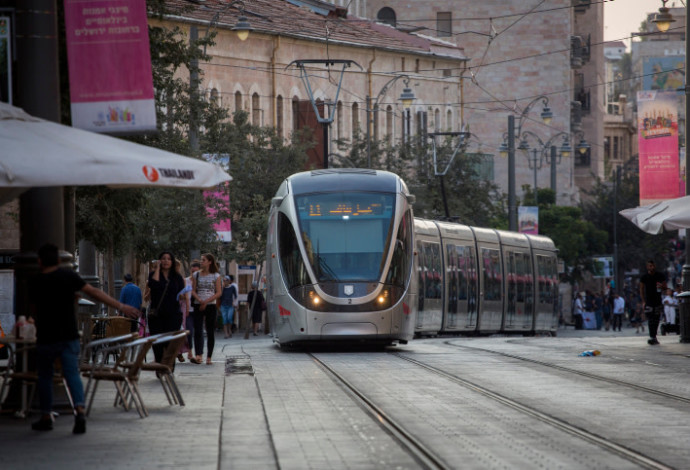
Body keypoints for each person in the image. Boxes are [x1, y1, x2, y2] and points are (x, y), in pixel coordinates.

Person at [29, 243, 139, 434]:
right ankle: (79, 410)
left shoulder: (36, 280)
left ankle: (46, 415)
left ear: (39, 261)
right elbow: (94, 292)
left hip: (46, 337)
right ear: (57, 260)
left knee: (45, 377)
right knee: (72, 374)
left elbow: (34, 309)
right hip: (68, 335)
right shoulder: (68, 276)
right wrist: (121, 307)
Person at [147, 251, 186, 362]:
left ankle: (169, 368)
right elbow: (153, 285)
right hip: (156, 315)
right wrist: (157, 269)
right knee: (158, 344)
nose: (166, 261)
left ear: (172, 262)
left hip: (173, 315)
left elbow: (180, 292)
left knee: (171, 345)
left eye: (169, 259)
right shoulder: (153, 275)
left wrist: (182, 296)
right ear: (159, 261)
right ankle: (160, 367)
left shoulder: (177, 277)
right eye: (163, 258)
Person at [191, 253, 222, 365]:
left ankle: (209, 357)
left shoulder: (216, 276)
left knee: (210, 331)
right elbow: (193, 290)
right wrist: (199, 300)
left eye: (203, 260)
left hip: (210, 305)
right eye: (201, 260)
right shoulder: (196, 275)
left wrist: (206, 301)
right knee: (198, 330)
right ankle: (198, 355)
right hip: (198, 304)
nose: (201, 262)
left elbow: (218, 292)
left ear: (210, 262)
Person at [640, 259, 667, 345]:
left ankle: (654, 336)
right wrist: (643, 301)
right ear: (647, 267)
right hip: (648, 301)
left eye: (652, 266)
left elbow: (665, 288)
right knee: (650, 319)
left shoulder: (660, 275)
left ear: (655, 266)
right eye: (649, 266)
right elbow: (641, 289)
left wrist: (662, 286)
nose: (651, 267)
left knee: (656, 319)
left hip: (657, 300)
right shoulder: (644, 277)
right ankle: (652, 336)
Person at [182, 260, 200, 361]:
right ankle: (190, 351)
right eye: (192, 271)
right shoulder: (186, 281)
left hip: (198, 309)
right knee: (189, 331)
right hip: (188, 310)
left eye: (196, 272)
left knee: (198, 331)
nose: (193, 274)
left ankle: (199, 354)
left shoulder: (201, 281)